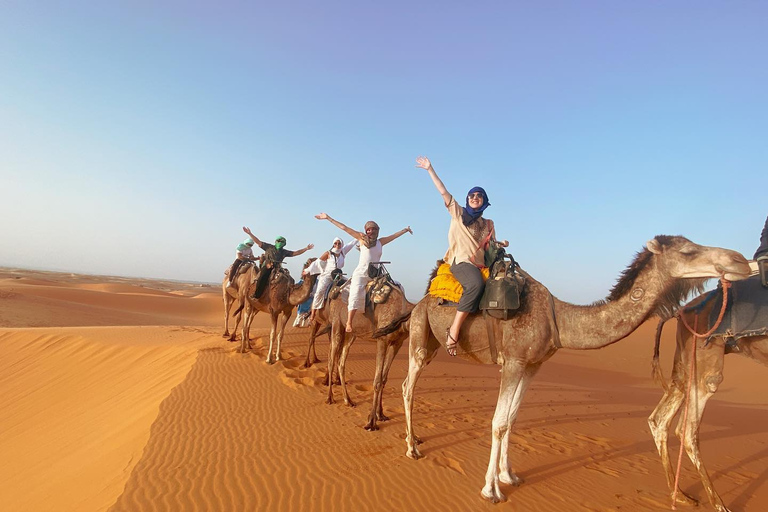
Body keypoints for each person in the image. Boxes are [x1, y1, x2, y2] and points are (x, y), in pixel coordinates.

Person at [415, 155, 509, 356]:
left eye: (479, 196)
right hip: (461, 262)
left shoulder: (489, 224)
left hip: (481, 264)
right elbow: (443, 191)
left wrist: (500, 244)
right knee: (476, 285)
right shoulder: (458, 213)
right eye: (471, 196)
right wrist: (430, 169)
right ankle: (454, 330)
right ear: (467, 200)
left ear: (484, 200)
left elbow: (490, 247)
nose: (475, 198)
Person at [315, 213, 412, 332]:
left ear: (377, 230)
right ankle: (349, 322)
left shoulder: (380, 242)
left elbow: (393, 236)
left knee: (396, 286)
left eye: (373, 229)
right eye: (369, 229)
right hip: (361, 273)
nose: (371, 231)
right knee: (355, 293)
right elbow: (345, 228)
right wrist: (328, 218)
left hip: (375, 274)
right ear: (366, 231)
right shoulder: (361, 239)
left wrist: (405, 230)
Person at [242, 226, 314, 299]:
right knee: (263, 277)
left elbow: (295, 253)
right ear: (275, 241)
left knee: (289, 280)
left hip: (278, 268)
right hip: (268, 266)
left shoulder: (284, 251)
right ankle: (256, 295)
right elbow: (258, 242)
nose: (280, 243)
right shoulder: (269, 247)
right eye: (278, 241)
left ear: (284, 243)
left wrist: (306, 248)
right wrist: (250, 233)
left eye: (282, 242)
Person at [303, 236, 357, 323]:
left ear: (341, 244)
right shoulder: (328, 253)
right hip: (327, 275)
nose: (337, 245)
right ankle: (313, 314)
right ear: (333, 244)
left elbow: (351, 244)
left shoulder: (343, 252)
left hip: (338, 275)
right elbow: (317, 262)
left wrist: (358, 237)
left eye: (339, 243)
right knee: (319, 291)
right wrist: (307, 270)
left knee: (351, 286)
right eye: (335, 243)